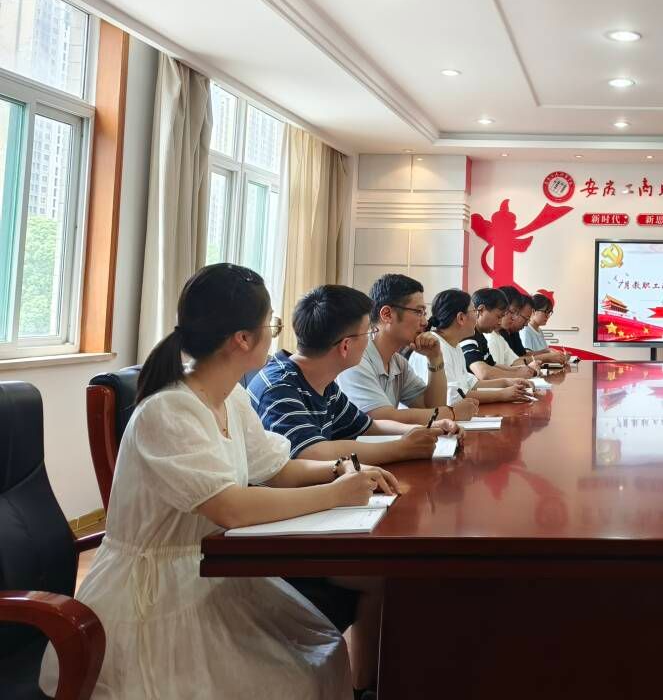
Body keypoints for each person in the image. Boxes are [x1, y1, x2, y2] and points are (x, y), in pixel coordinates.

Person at [40, 264, 399, 700]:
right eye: (271, 326)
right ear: (242, 339)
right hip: (157, 595)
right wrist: (334, 494)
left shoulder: (232, 397)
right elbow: (229, 507)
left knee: (317, 656)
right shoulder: (168, 411)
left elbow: (277, 469)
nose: (275, 336)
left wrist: (340, 469)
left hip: (212, 571)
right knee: (293, 679)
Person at [247, 284, 457, 467]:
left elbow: (367, 426)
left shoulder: (323, 382)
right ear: (346, 345)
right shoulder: (278, 386)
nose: (371, 339)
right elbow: (311, 453)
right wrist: (401, 448)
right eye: (368, 332)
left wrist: (427, 428)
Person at [336, 273, 479, 425]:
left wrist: (435, 359)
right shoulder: (356, 359)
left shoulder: (398, 363)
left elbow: (432, 407)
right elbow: (379, 419)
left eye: (424, 313)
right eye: (418, 312)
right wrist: (452, 413)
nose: (425, 322)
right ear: (387, 314)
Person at [421, 288, 535, 404]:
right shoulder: (435, 346)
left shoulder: (455, 345)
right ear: (461, 318)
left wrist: (508, 382)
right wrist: (502, 394)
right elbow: (452, 396)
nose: (477, 317)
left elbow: (471, 384)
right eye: (474, 312)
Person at [465, 287, 540, 385]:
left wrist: (522, 371)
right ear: (481, 310)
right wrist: (517, 374)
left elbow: (493, 365)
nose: (500, 322)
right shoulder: (467, 336)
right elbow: (484, 374)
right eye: (498, 316)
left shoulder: (480, 336)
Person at [521, 292, 569, 366]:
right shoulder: (526, 330)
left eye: (549, 312)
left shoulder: (539, 330)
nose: (548, 316)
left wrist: (560, 356)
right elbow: (526, 357)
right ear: (533, 311)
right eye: (545, 312)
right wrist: (548, 353)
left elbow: (546, 354)